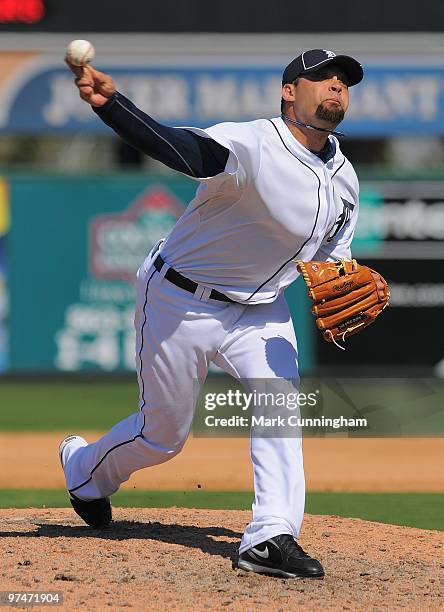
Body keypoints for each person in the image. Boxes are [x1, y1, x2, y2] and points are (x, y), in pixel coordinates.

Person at [60, 49, 363, 579]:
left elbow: (333, 265)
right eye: (321, 78)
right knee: (163, 437)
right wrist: (113, 106)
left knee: (281, 407)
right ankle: (84, 468)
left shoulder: (345, 179)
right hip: (180, 298)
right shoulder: (251, 143)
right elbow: (182, 150)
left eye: (343, 82)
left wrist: (342, 284)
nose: (335, 87)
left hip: (262, 310)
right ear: (289, 90)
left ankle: (271, 535)